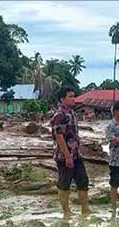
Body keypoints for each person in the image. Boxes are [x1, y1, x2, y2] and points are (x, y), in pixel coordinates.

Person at [51, 86, 91, 218]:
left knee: (83, 181)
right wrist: (67, 156)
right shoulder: (59, 115)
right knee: (64, 183)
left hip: (76, 154)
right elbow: (59, 136)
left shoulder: (72, 113)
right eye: (70, 96)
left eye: (74, 96)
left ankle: (85, 209)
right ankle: (66, 211)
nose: (73, 99)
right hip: (64, 156)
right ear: (62, 99)